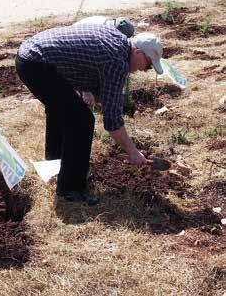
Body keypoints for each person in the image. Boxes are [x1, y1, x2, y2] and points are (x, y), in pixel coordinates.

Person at [16, 24, 163, 205]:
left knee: (63, 109)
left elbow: (86, 63)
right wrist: (132, 152)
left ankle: (55, 164)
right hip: (37, 64)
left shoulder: (117, 41)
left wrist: (90, 92)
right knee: (82, 120)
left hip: (30, 55)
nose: (143, 70)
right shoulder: (117, 61)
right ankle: (71, 188)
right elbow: (112, 121)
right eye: (148, 65)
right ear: (138, 52)